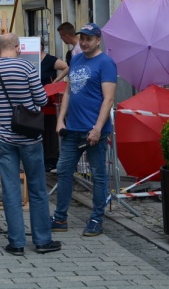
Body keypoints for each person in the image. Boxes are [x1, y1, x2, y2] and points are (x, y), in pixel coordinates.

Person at [0, 33, 61, 256]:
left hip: (3, 139)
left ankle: (16, 243)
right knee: (37, 189)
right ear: (18, 47)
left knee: (10, 190)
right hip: (30, 138)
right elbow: (42, 101)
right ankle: (42, 241)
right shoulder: (27, 68)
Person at [52, 23, 116, 237]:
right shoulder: (77, 59)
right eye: (82, 38)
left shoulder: (106, 63)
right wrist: (61, 120)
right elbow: (69, 91)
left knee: (98, 175)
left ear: (98, 40)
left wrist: (98, 128)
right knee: (63, 171)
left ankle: (97, 218)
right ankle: (60, 217)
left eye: (89, 38)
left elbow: (108, 99)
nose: (84, 42)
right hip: (72, 128)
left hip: (93, 131)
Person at [39, 38, 69, 172]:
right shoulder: (29, 58)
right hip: (35, 101)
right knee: (39, 130)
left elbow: (66, 67)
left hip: (49, 101)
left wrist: (56, 81)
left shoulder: (50, 59)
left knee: (50, 130)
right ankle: (43, 158)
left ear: (42, 45)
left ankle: (51, 159)